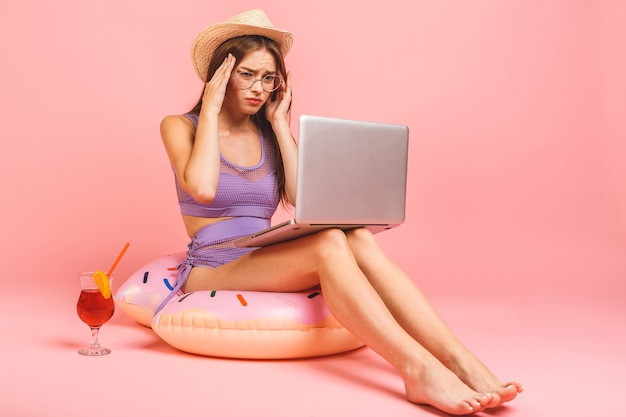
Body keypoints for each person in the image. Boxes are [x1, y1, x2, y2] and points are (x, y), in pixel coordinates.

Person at [159, 9, 523, 416]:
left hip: (258, 251)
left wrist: (280, 125)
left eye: (269, 78)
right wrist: (209, 109)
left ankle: (460, 361)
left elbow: (302, 199)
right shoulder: (180, 125)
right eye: (246, 74)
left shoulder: (267, 131)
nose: (259, 88)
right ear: (219, 75)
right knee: (329, 242)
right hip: (215, 263)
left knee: (356, 234)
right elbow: (204, 187)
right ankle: (417, 369)